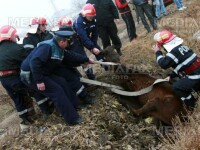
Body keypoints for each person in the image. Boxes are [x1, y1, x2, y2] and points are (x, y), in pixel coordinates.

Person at [20, 30, 93, 125]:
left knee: (62, 82)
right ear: (62, 41)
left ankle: (75, 105)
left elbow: (71, 56)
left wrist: (86, 59)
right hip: (31, 75)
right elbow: (34, 62)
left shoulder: (59, 47)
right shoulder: (47, 47)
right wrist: (39, 81)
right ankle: (72, 119)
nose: (69, 44)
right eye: (68, 42)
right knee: (56, 91)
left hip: (41, 72)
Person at [0, 25, 51, 129]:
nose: (16, 37)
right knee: (35, 90)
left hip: (4, 80)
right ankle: (47, 111)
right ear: (10, 36)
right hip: (14, 77)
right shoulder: (15, 48)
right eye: (14, 35)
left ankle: (25, 121)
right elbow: (29, 61)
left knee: (17, 100)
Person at [152, 30, 200, 109]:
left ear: (164, 45)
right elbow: (182, 66)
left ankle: (193, 105)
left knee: (177, 87)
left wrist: (158, 52)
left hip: (196, 76)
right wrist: (171, 76)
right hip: (197, 71)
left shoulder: (173, 52)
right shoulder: (182, 47)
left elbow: (163, 64)